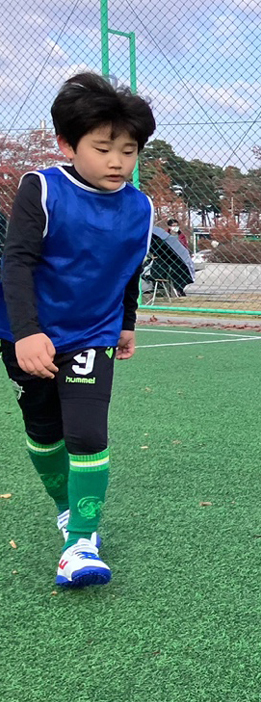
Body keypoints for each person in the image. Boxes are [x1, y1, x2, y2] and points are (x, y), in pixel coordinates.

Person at [0, 72, 156, 588]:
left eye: (129, 150)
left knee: (86, 431)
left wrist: (127, 323)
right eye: (104, 147)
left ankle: (80, 543)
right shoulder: (41, 188)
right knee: (44, 434)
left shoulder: (140, 207)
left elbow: (128, 267)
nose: (118, 161)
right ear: (69, 144)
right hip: (30, 334)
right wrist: (26, 332)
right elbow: (17, 262)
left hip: (93, 333)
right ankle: (68, 509)